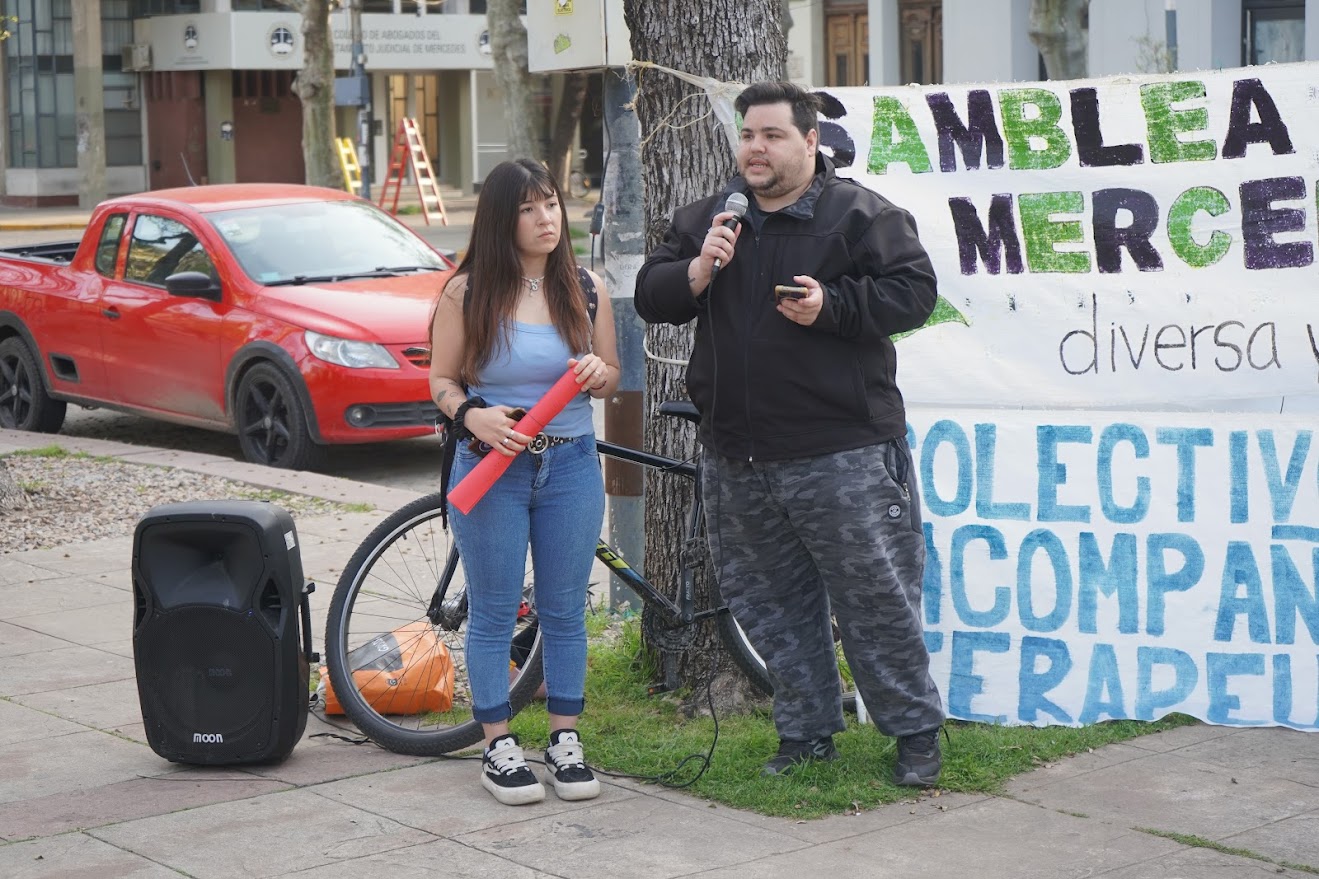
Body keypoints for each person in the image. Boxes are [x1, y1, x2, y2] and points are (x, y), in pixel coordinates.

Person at [633, 81, 945, 787]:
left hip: (842, 452)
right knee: (771, 605)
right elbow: (652, 295)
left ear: (809, 141)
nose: (755, 148)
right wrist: (699, 268)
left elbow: (914, 292)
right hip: (737, 455)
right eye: (747, 134)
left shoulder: (858, 214)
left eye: (772, 135)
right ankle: (806, 732)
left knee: (875, 600)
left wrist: (833, 306)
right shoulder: (712, 218)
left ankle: (914, 734)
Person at [429, 159, 619, 805]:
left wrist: (598, 373)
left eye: (552, 205)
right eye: (528, 208)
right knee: (492, 609)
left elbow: (611, 374)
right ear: (500, 219)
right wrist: (471, 414)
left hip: (570, 465)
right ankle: (498, 745)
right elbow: (440, 380)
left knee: (564, 610)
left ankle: (565, 741)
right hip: (493, 470)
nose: (546, 219)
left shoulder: (585, 288)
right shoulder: (466, 292)